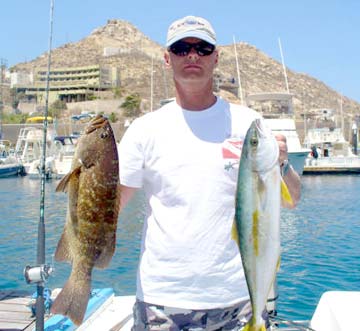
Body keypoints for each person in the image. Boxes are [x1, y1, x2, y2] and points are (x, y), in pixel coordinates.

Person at [118, 15, 301, 331]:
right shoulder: (144, 129)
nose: (192, 55)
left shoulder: (249, 124)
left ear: (216, 57)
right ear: (167, 58)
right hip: (162, 300)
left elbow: (292, 199)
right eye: (181, 48)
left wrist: (282, 165)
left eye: (202, 48)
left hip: (238, 300)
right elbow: (111, 205)